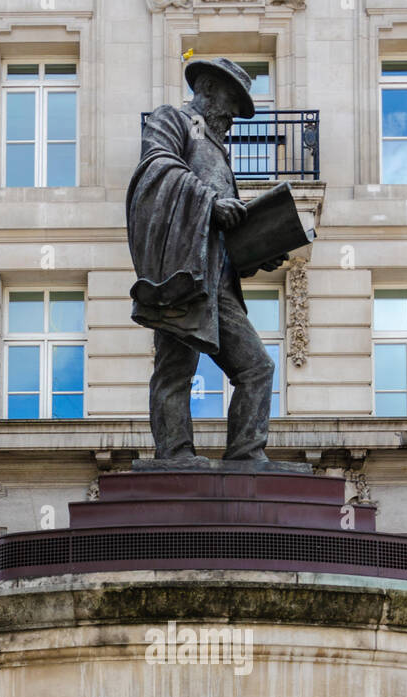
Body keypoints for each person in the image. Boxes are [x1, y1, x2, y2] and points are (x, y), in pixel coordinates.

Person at [126, 57, 285, 465]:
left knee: (257, 367)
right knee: (175, 368)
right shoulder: (172, 120)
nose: (235, 115)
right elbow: (156, 170)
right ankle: (175, 453)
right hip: (182, 272)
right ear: (210, 88)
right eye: (233, 101)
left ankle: (247, 455)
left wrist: (256, 249)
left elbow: (223, 227)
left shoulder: (219, 150)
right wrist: (210, 203)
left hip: (220, 280)